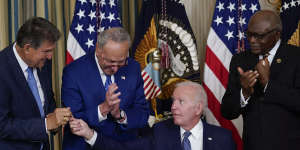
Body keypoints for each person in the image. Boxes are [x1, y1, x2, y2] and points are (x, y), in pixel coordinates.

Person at [70, 81, 236, 150]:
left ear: (198, 108)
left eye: (181, 102)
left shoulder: (223, 138)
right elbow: (123, 149)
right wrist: (89, 134)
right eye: (173, 101)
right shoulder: (161, 131)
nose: (173, 106)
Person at [221, 10, 300, 150]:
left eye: (259, 36)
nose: (251, 40)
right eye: (249, 34)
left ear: (276, 35)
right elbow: (227, 111)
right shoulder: (240, 60)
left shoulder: (296, 57)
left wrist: (268, 85)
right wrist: (244, 93)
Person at [62, 27, 149, 150]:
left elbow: (142, 113)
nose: (116, 69)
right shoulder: (73, 72)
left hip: (125, 145)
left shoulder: (132, 67)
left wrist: (120, 115)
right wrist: (103, 109)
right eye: (111, 62)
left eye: (121, 62)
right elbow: (72, 120)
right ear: (98, 50)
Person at [0, 17, 72, 150]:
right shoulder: (2, 69)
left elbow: (47, 98)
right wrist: (45, 124)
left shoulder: (42, 61)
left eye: (51, 50)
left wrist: (56, 117)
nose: (51, 56)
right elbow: (2, 125)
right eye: (46, 51)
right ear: (27, 48)